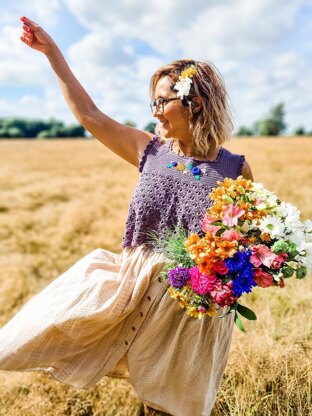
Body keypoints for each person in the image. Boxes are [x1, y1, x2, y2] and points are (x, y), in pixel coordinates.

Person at [0, 16, 254, 416]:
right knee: (35, 332)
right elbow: (89, 115)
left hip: (191, 307)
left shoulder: (235, 170)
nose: (154, 112)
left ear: (195, 102)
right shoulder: (149, 149)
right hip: (132, 287)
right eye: (151, 102)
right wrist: (53, 54)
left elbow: (247, 244)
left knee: (174, 406)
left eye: (161, 101)